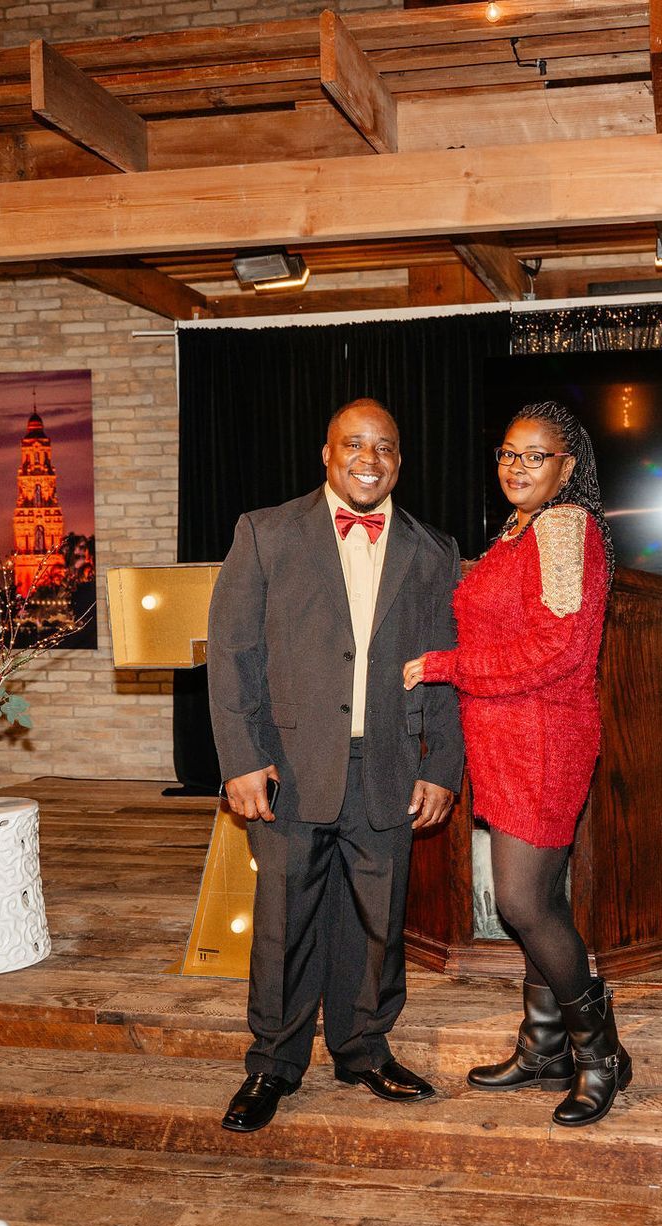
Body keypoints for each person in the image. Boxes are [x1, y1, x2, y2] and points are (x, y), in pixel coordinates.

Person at [207, 398, 462, 1134]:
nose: (369, 459)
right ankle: (273, 1063)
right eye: (354, 443)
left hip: (389, 763)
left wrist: (442, 764)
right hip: (288, 764)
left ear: (399, 461)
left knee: (377, 921)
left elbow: (449, 668)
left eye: (385, 447)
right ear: (327, 453)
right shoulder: (265, 533)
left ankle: (364, 1049)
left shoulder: (432, 549)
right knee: (285, 919)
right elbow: (232, 657)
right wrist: (242, 759)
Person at [403, 400, 628, 1127]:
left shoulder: (566, 527)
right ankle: (544, 1046)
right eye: (508, 451)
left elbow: (555, 652)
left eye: (536, 456)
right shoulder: (517, 530)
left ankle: (602, 1055)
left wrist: (443, 665)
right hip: (506, 736)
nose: (517, 466)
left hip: (542, 737)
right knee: (541, 904)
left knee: (523, 903)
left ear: (568, 466)